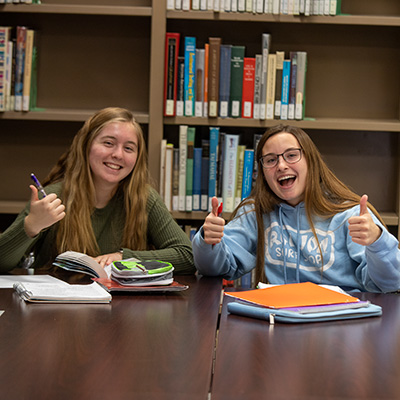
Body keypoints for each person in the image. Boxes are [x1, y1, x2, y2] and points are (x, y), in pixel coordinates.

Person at [193, 124, 400, 292]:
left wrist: (377, 241)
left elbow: (391, 283)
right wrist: (208, 241)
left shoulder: (350, 214)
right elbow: (214, 269)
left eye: (291, 155)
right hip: (279, 322)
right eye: (271, 160)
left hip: (339, 324)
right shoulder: (255, 213)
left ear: (311, 162)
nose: (281, 165)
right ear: (263, 172)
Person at [0, 107, 195, 276]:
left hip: (125, 310)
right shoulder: (54, 198)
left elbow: (187, 256)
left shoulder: (143, 198)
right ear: (86, 146)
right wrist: (30, 227)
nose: (118, 154)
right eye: (108, 143)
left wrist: (124, 258)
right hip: (59, 310)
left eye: (129, 148)